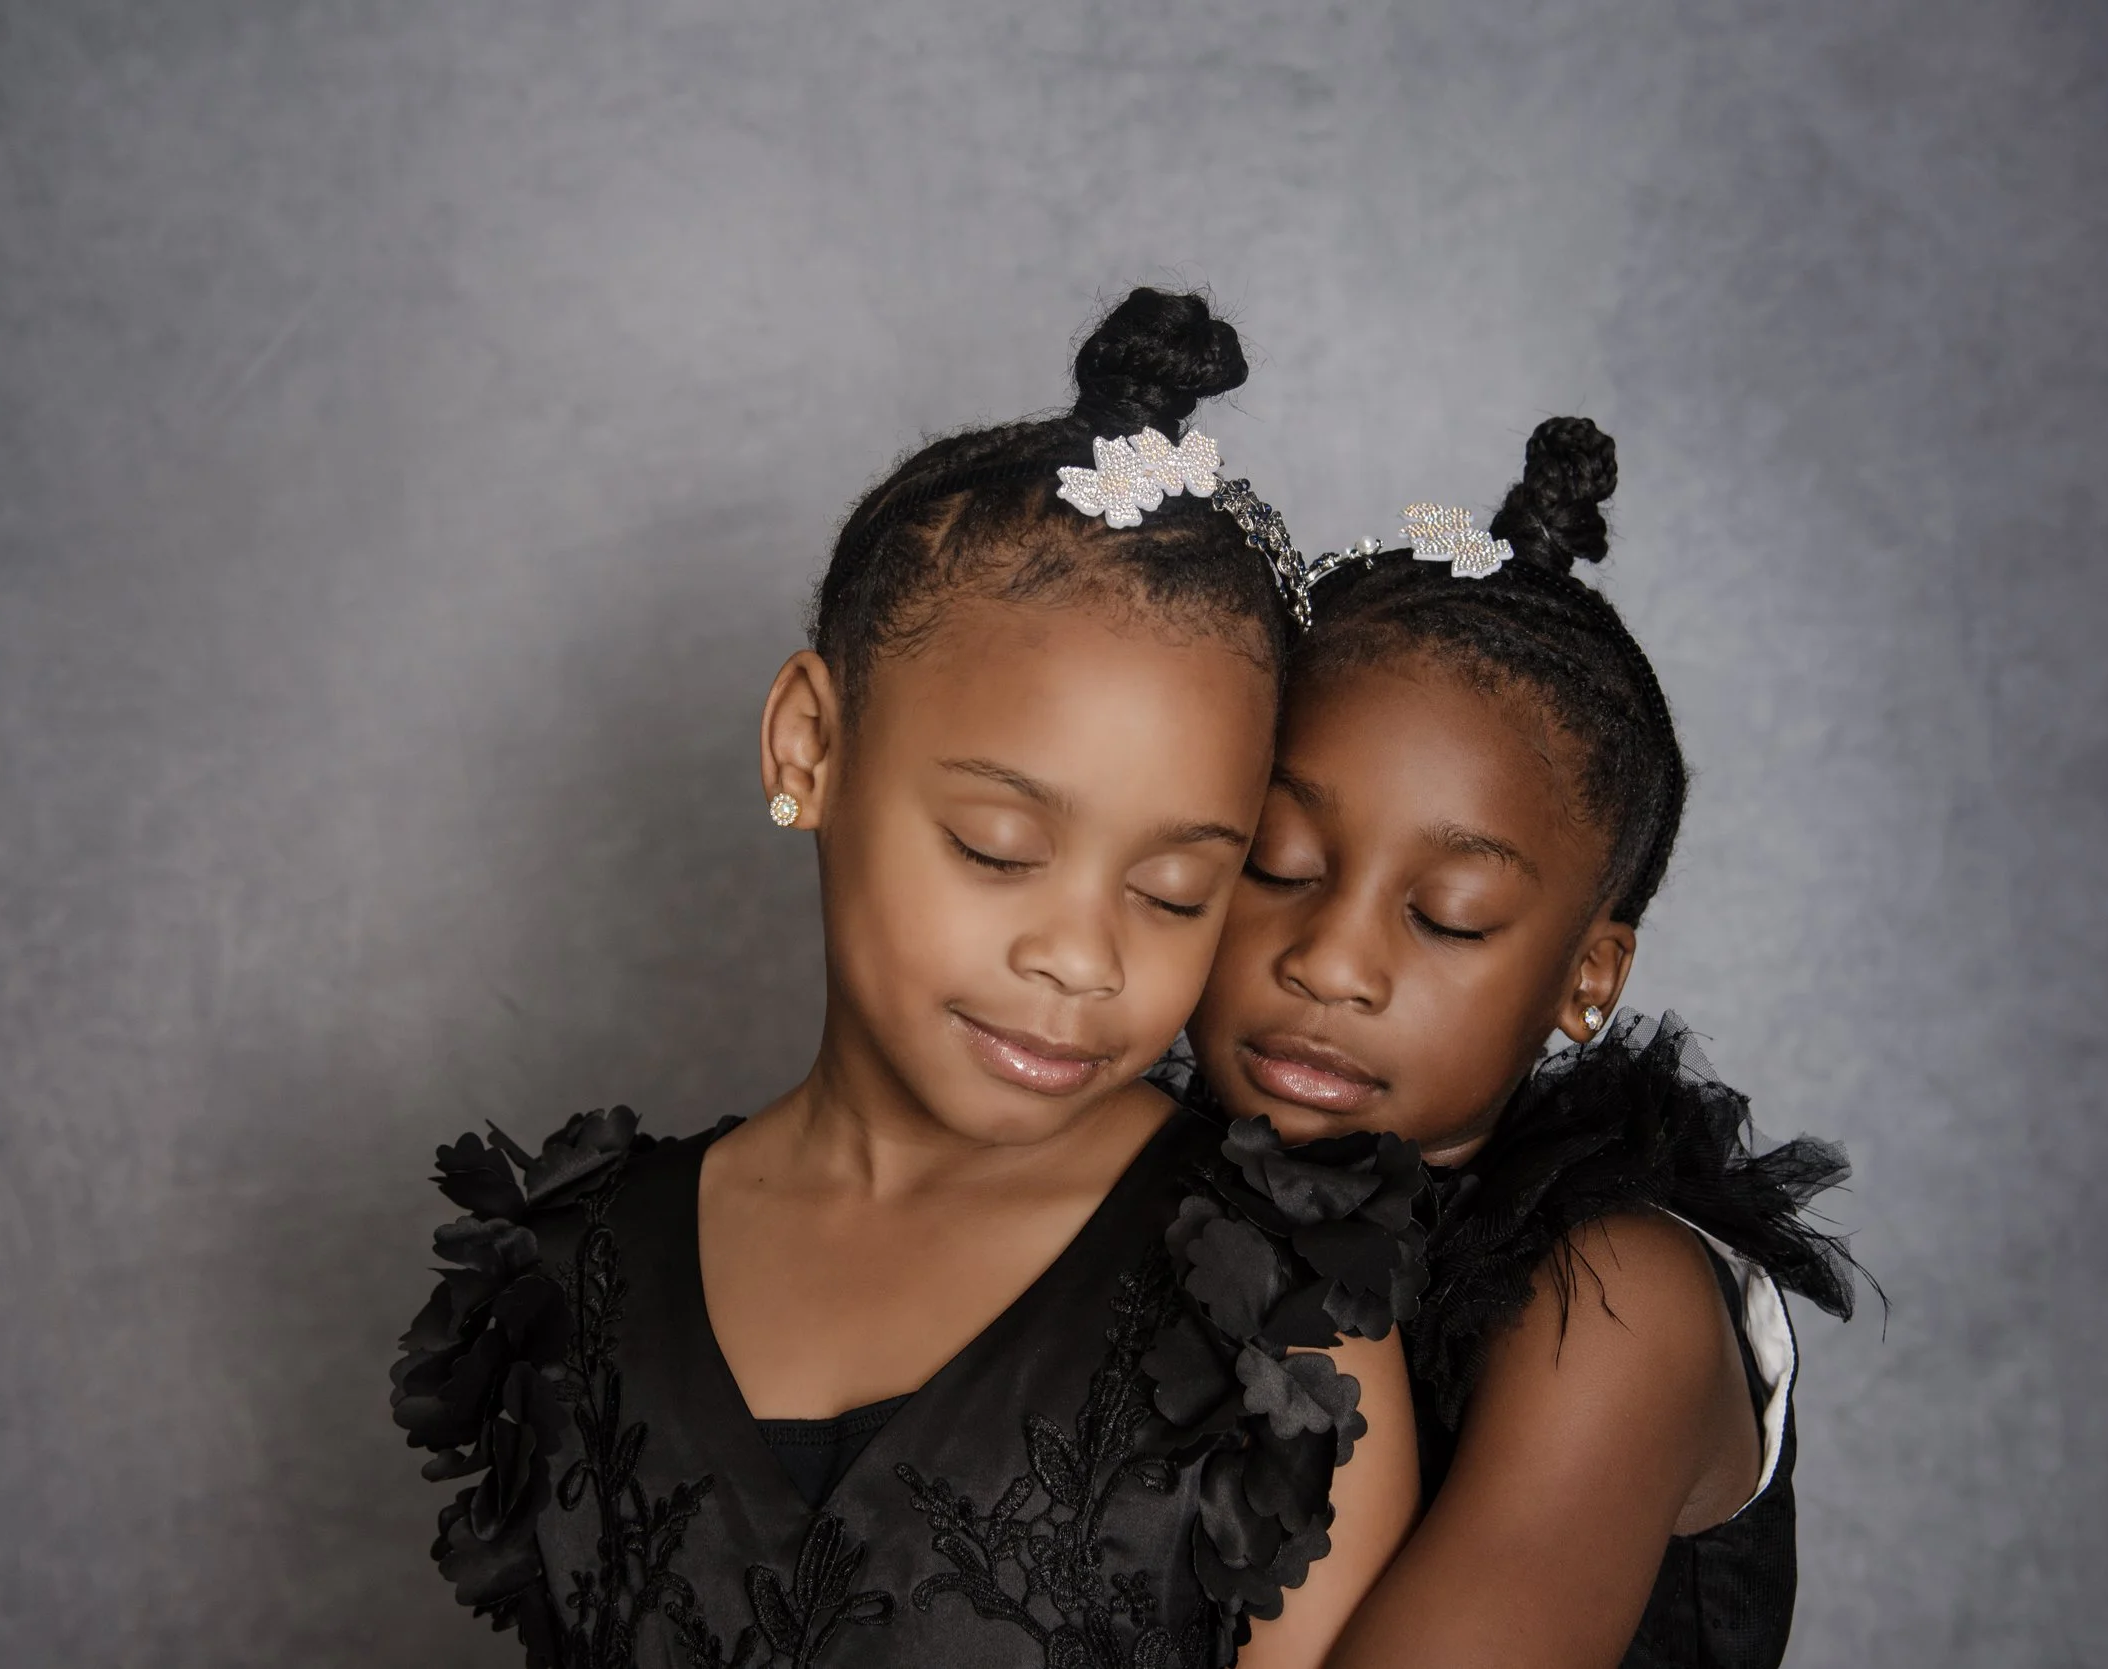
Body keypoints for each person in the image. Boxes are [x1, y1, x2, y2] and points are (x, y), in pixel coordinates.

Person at [390, 289, 1422, 1669]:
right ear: (809, 746)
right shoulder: (578, 1276)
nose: (1082, 955)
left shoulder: (1270, 1311)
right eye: (999, 849)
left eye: (1179, 890)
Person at [1181, 417, 1866, 1668]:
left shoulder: (1616, 1309)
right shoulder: (1130, 1173)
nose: (1330, 961)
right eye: (1275, 864)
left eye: (1448, 918)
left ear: (1586, 977)